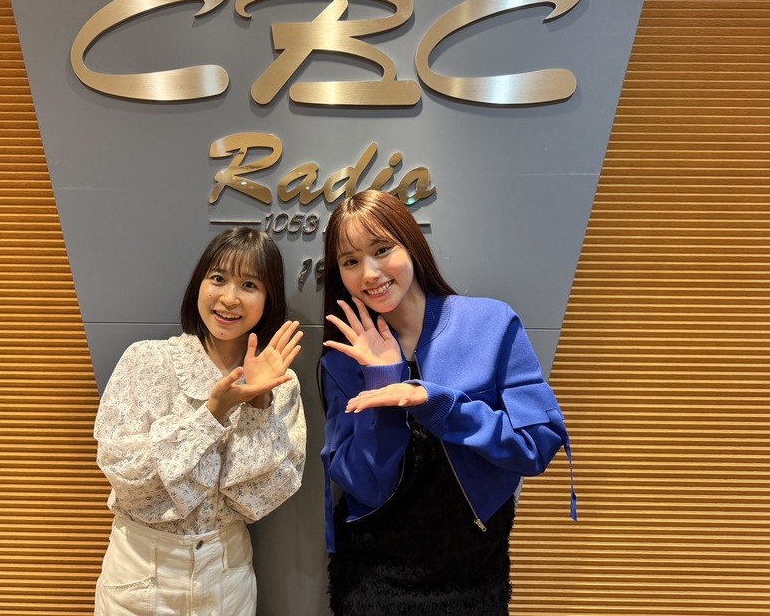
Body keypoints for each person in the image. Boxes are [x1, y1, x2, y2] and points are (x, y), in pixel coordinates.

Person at [319, 190, 575, 616]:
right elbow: (366, 486)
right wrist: (384, 381)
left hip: (472, 568)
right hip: (372, 575)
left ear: (410, 244)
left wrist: (438, 405)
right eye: (350, 261)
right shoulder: (342, 361)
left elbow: (535, 447)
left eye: (382, 250)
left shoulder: (491, 324)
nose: (370, 272)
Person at [93, 227, 306, 616]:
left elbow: (261, 497)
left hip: (227, 570)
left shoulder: (281, 382)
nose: (229, 298)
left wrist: (258, 403)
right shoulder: (147, 360)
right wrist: (212, 415)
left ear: (269, 298)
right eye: (218, 278)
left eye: (249, 284)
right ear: (199, 285)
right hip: (142, 568)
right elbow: (127, 478)